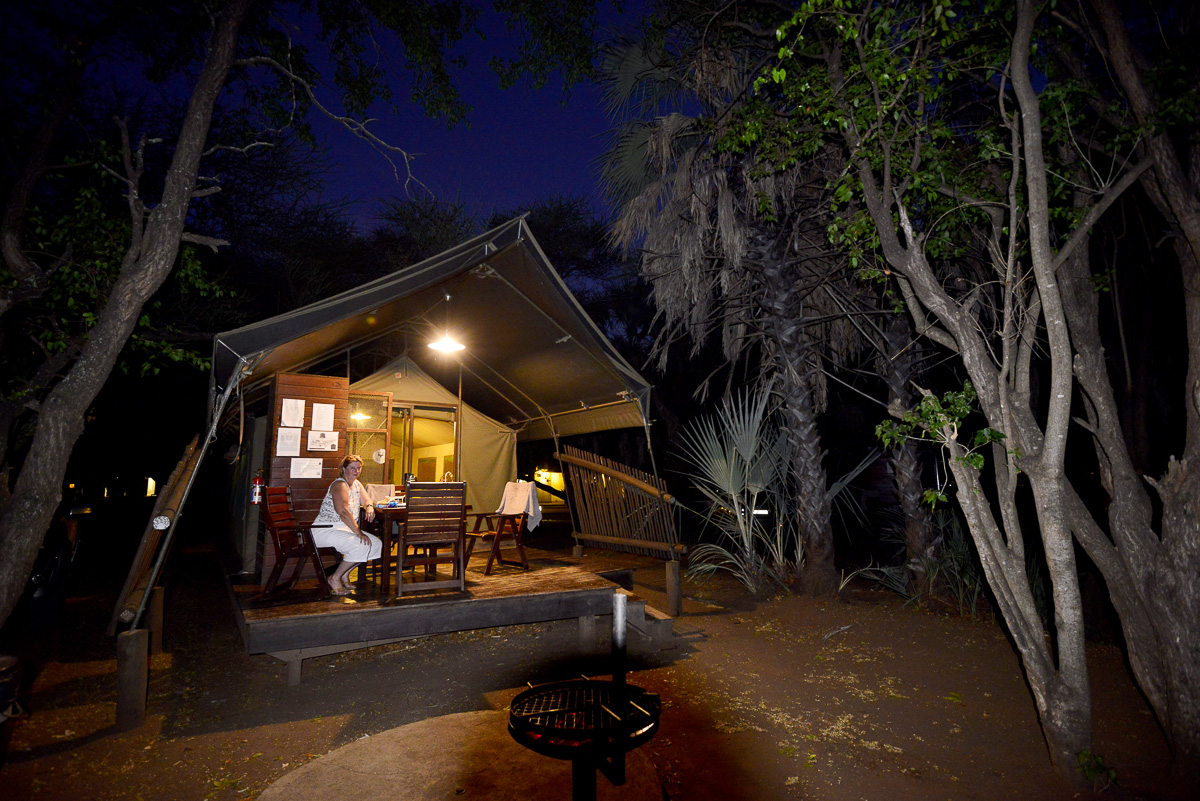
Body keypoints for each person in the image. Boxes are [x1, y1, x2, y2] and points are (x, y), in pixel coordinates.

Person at [311, 454, 382, 595]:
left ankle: (344, 573)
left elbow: (367, 500)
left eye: (359, 468)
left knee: (375, 544)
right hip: (325, 529)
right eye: (352, 468)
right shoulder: (340, 485)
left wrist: (369, 507)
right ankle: (334, 578)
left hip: (343, 529)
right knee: (362, 544)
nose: (356, 471)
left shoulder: (356, 484)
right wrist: (359, 533)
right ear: (343, 469)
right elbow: (343, 512)